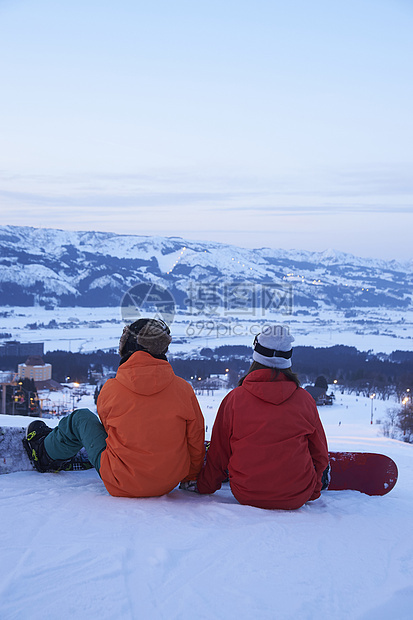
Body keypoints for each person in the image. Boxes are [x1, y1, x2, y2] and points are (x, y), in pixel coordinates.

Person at [25, 318, 205, 498]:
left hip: (121, 482)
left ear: (128, 346)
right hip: (168, 482)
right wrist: (190, 476)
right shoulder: (183, 389)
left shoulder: (112, 389)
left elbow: (109, 430)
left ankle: (43, 454)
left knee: (81, 418)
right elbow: (195, 438)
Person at [194, 325, 329, 510]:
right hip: (297, 494)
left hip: (246, 493)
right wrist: (313, 490)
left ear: (256, 356)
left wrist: (204, 486)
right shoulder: (305, 400)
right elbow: (320, 453)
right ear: (288, 359)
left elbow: (219, 453)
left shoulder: (235, 399)